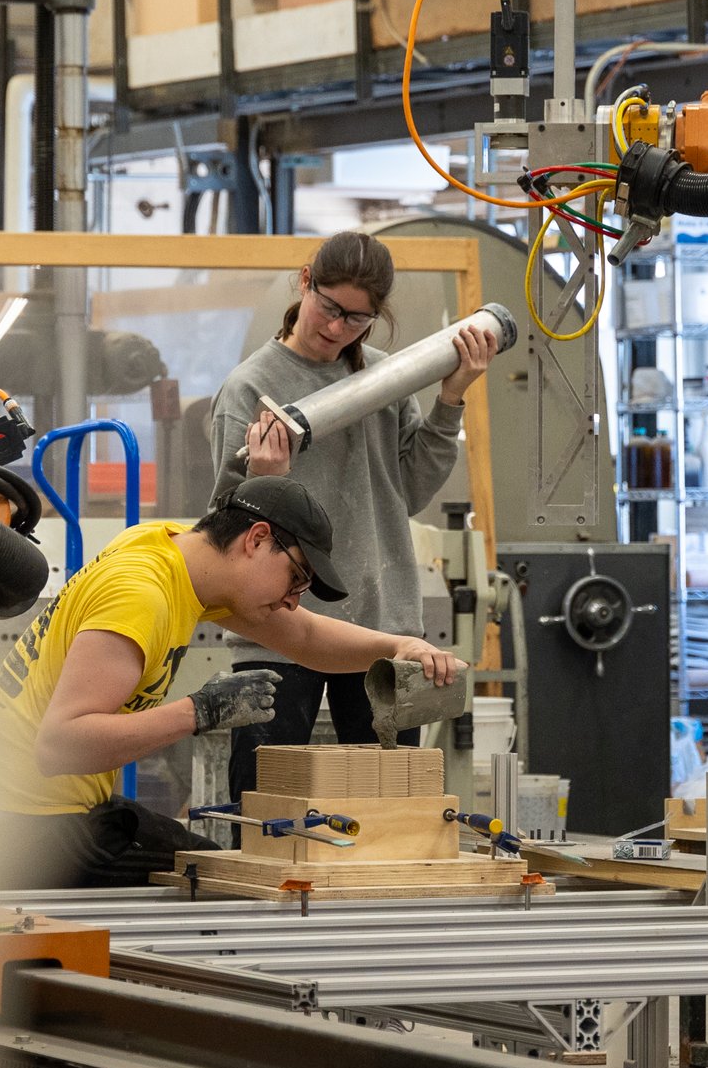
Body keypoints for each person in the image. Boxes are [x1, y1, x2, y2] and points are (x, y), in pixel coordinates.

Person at [0, 475, 459, 887]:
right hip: (20, 828)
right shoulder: (141, 595)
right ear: (256, 539)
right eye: (296, 579)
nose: (293, 600)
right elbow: (59, 746)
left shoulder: (172, 553)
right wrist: (200, 711)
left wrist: (399, 647)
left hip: (19, 806)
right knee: (225, 885)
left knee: (211, 863)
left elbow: (306, 636)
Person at [210, 231, 498, 798]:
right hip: (279, 624)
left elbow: (406, 489)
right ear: (304, 282)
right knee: (266, 801)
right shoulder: (250, 389)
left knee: (392, 804)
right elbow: (221, 528)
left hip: (381, 621)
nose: (338, 328)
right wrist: (267, 483)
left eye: (358, 319)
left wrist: (451, 398)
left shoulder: (386, 380)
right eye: (330, 307)